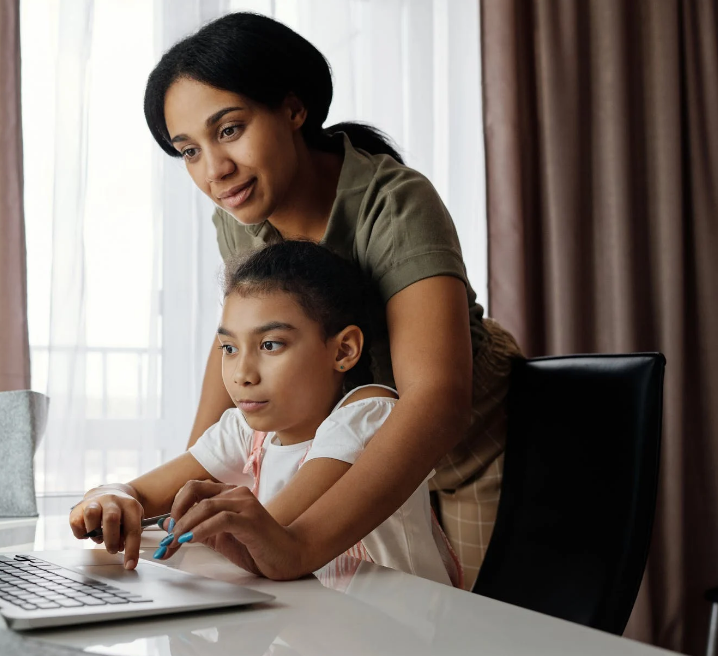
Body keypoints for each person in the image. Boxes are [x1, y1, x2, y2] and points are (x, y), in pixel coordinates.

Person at [138, 12, 523, 587]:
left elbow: (436, 398)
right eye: (188, 150)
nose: (215, 170)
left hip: (463, 441)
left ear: (294, 110)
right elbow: (236, 344)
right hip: (347, 441)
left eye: (229, 130)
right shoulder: (239, 215)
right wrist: (187, 493)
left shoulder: (394, 203)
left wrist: (300, 545)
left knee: (478, 629)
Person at [69, 241, 460, 587]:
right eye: (229, 348)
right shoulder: (248, 431)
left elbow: (272, 537)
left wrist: (196, 520)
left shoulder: (368, 415)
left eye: (271, 345)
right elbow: (140, 492)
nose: (242, 374)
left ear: (343, 351)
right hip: (317, 625)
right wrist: (110, 498)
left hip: (398, 632)